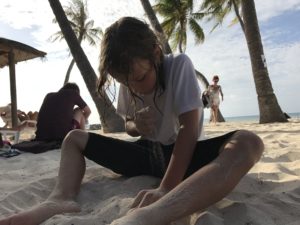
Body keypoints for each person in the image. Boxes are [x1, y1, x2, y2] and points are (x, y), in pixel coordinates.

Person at [0, 17, 264, 225]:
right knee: (73, 138)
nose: (133, 88)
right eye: (125, 82)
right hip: (149, 154)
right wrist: (138, 125)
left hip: (186, 156)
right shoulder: (129, 80)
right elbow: (129, 127)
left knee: (249, 142)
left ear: (156, 54)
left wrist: (165, 189)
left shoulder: (179, 65)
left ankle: (159, 211)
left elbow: (189, 127)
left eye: (138, 79)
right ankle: (60, 198)